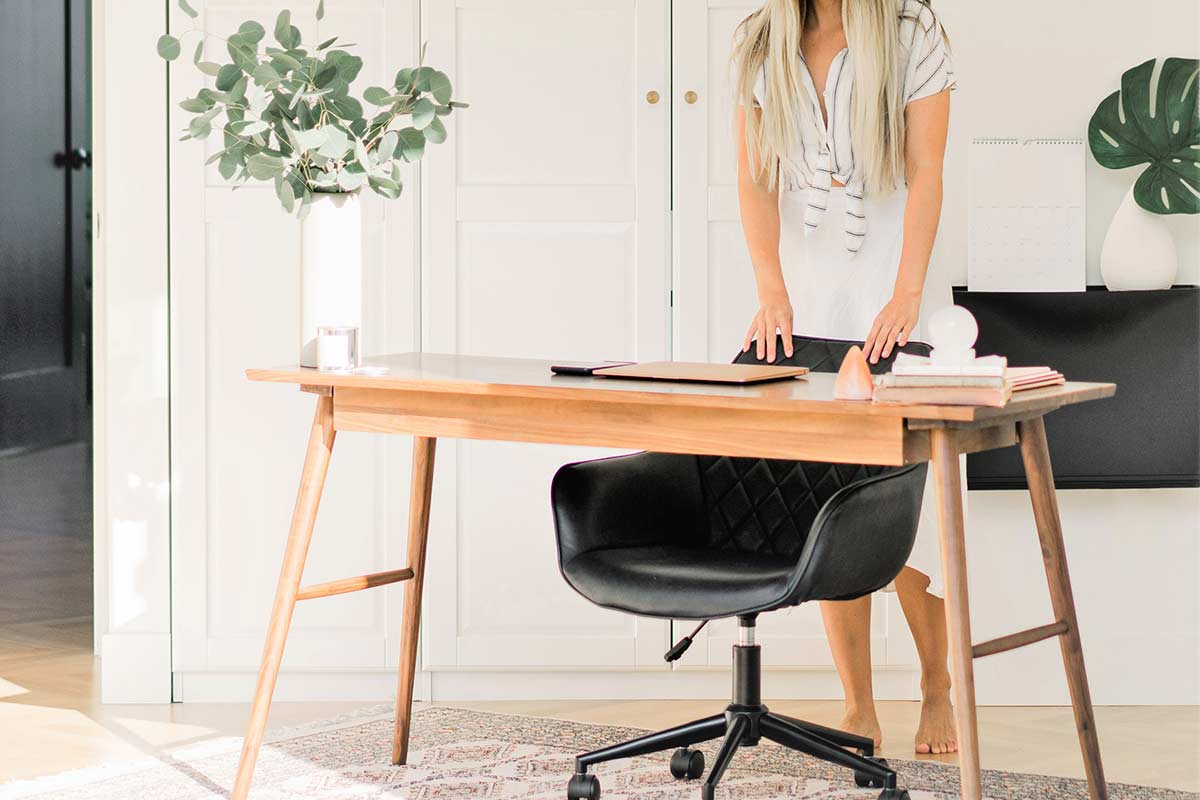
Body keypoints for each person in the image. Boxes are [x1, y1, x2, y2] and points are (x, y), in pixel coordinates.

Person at [732, 0, 961, 755]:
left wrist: (905, 294)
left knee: (903, 525)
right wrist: (770, 290)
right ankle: (858, 705)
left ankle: (937, 687)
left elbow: (927, 173)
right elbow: (755, 179)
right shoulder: (761, 38)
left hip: (897, 305)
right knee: (829, 515)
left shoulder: (911, 32)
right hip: (802, 308)